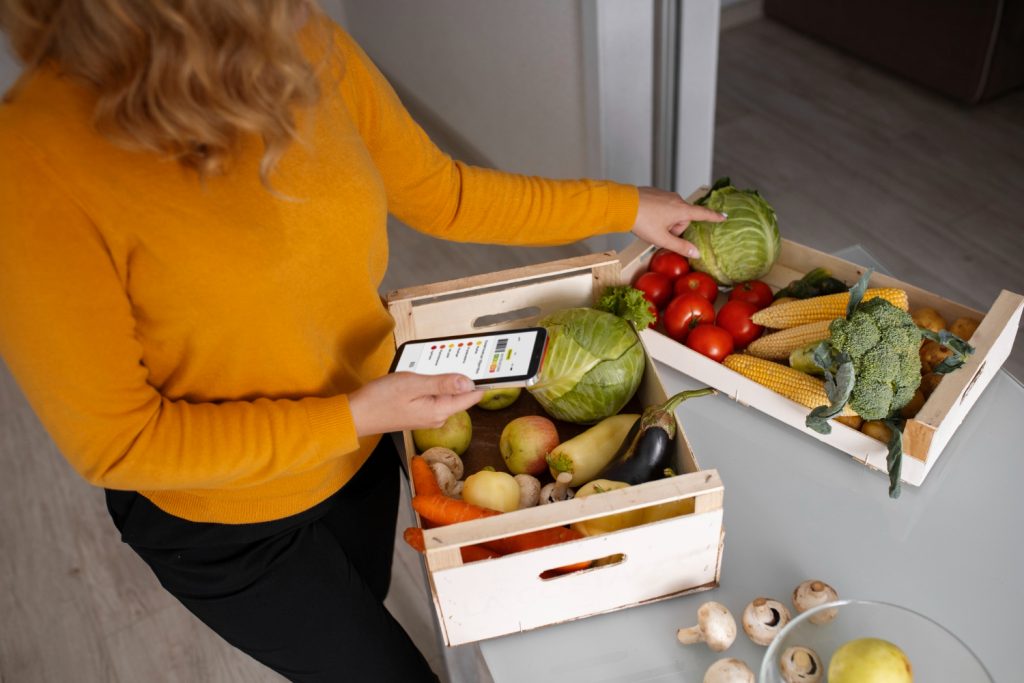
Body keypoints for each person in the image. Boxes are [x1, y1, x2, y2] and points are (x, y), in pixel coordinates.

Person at [0, 1, 724, 681]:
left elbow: (444, 192)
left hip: (362, 457)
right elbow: (120, 444)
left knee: (362, 597)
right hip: (226, 527)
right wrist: (352, 415)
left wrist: (624, 204)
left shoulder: (300, 39)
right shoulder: (33, 160)